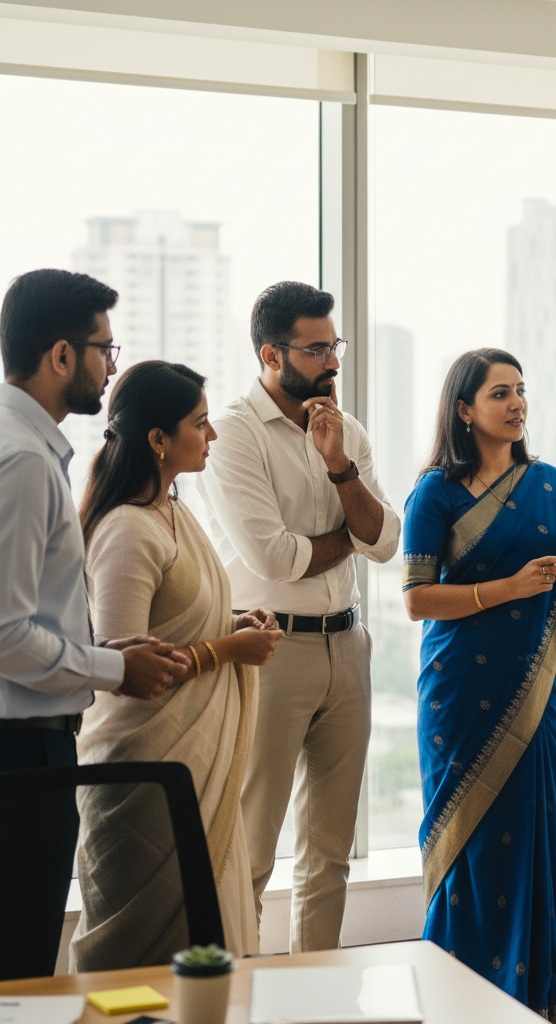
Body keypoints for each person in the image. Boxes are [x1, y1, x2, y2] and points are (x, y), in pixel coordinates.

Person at [402, 348, 556, 1022]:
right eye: (500, 393)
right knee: (470, 850)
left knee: (540, 834)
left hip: (542, 691)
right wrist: (508, 588)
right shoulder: (433, 491)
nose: (517, 404)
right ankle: (460, 1000)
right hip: (462, 695)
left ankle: (544, 1002)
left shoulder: (551, 486)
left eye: (521, 391)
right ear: (464, 410)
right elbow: (417, 599)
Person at [0, 269, 190, 981]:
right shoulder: (21, 460)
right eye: (105, 349)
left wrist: (97, 648)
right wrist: (115, 669)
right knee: (17, 967)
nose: (112, 366)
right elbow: (5, 635)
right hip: (20, 754)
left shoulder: (26, 447)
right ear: (60, 356)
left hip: (27, 742)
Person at [198, 281, 400, 952]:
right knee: (251, 848)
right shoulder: (231, 433)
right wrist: (353, 536)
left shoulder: (348, 433)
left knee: (330, 852)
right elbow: (277, 557)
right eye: (316, 349)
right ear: (270, 352)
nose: (332, 362)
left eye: (333, 345)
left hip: (348, 646)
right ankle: (238, 997)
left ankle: (320, 998)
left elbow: (389, 540)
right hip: (269, 650)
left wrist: (340, 467)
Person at [68, 360, 283, 970]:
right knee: (150, 956)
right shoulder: (129, 530)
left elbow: (173, 627)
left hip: (196, 768)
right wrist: (227, 651)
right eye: (200, 424)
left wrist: (234, 626)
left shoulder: (173, 510)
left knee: (212, 933)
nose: (211, 436)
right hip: (148, 774)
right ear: (158, 440)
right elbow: (124, 672)